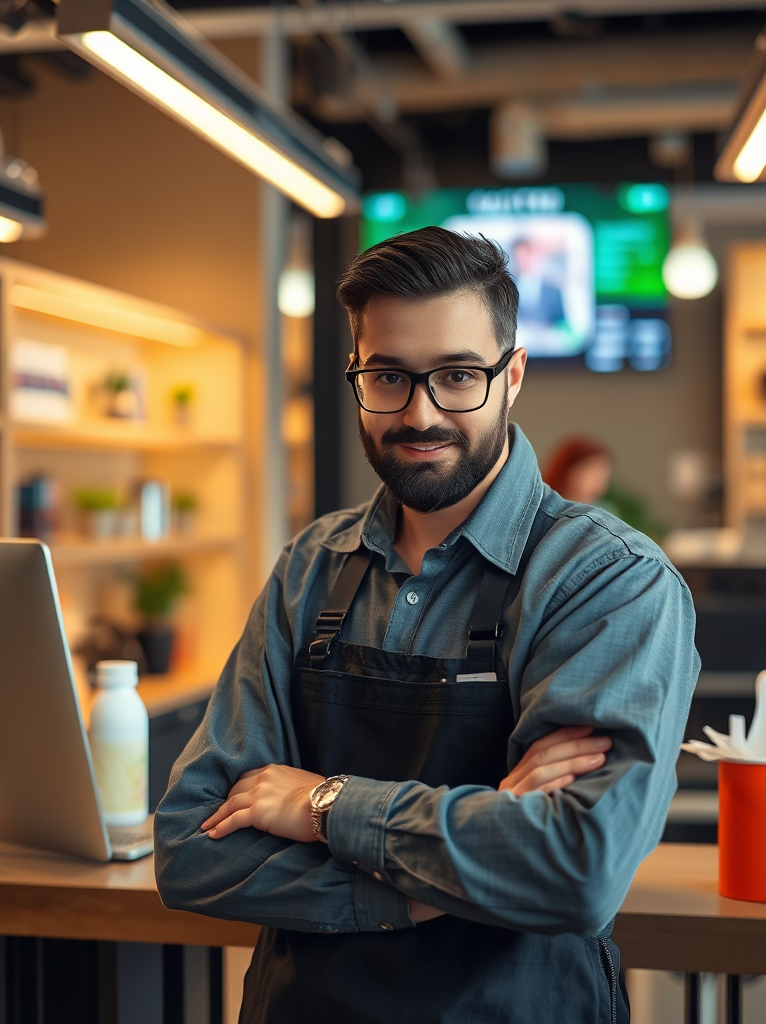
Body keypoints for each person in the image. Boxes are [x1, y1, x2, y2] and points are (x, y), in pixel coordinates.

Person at [154, 226, 700, 1024]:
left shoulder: (607, 580)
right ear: (356, 375)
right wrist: (422, 893)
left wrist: (324, 806)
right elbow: (191, 850)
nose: (420, 412)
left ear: (512, 375)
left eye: (456, 375)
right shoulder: (309, 566)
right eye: (388, 376)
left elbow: (575, 867)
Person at [542, 436, 614, 507]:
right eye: (595, 477)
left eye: (604, 479)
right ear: (570, 471)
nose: (600, 487)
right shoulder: (540, 504)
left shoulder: (603, 512)